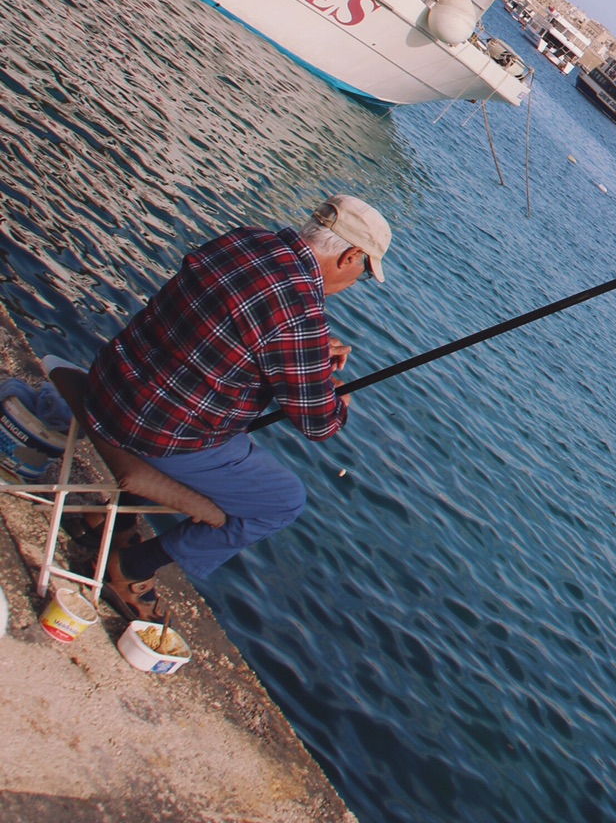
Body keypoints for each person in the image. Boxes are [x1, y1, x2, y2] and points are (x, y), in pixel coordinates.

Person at [80, 195, 391, 619]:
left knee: (234, 426)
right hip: (149, 427)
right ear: (351, 256)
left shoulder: (246, 241)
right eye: (362, 273)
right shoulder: (300, 313)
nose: (355, 282)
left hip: (108, 381)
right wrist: (338, 394)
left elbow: (227, 329)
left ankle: (117, 520)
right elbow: (320, 423)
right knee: (281, 501)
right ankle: (130, 568)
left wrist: (310, 352)